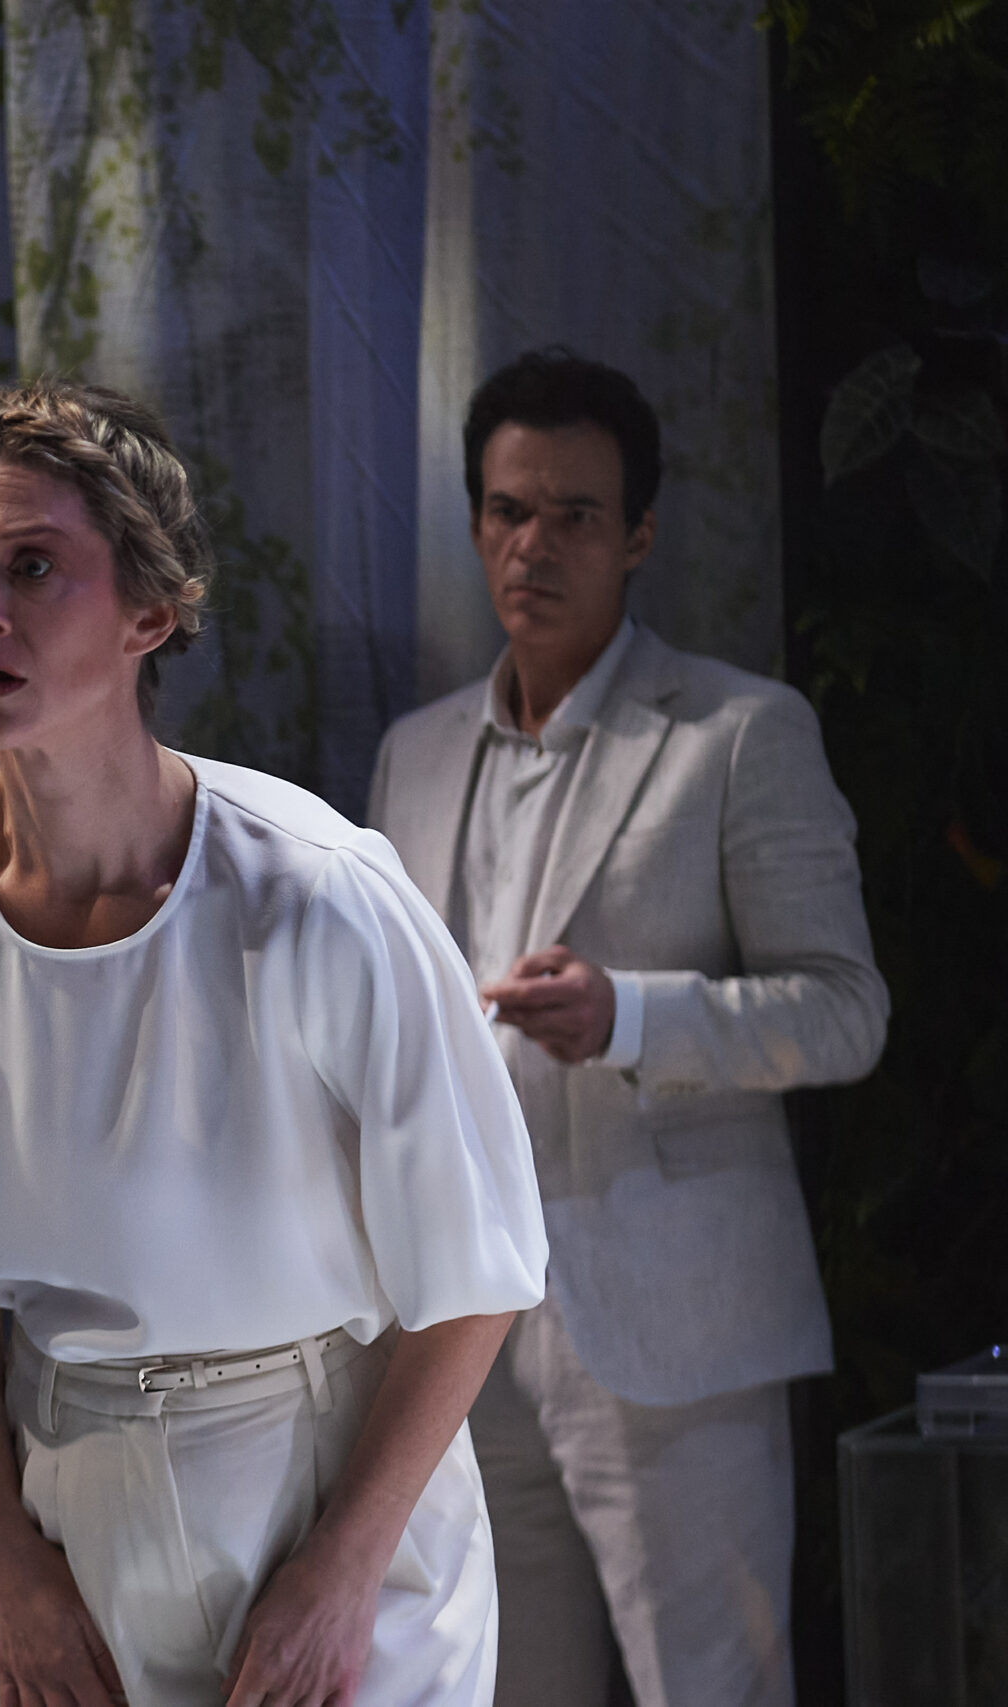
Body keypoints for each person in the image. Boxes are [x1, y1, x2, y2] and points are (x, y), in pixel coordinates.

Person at [0, 378, 549, 1707]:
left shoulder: (318, 892)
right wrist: (6, 1557)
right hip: (71, 1502)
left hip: (340, 1479)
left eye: (33, 566)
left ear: (150, 611)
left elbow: (480, 1268)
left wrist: (348, 1564)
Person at [367, 348, 888, 1707]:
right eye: (507, 510)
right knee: (498, 1685)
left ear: (639, 535)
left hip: (674, 1325)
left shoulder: (737, 732)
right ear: (474, 521)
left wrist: (630, 1014)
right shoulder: (416, 751)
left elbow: (844, 1011)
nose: (532, 545)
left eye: (575, 515)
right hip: (464, 1322)